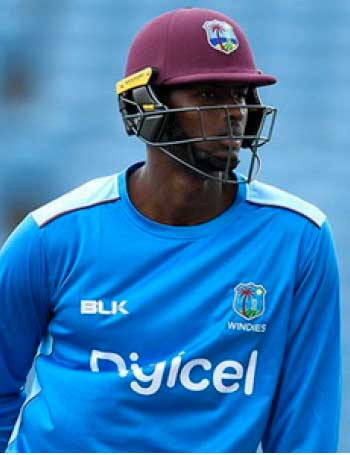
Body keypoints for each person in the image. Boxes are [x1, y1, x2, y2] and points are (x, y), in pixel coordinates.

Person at [0, 7, 341, 453]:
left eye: (239, 94)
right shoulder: (52, 236)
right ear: (145, 105)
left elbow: (305, 436)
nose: (234, 113)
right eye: (206, 93)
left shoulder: (299, 240)